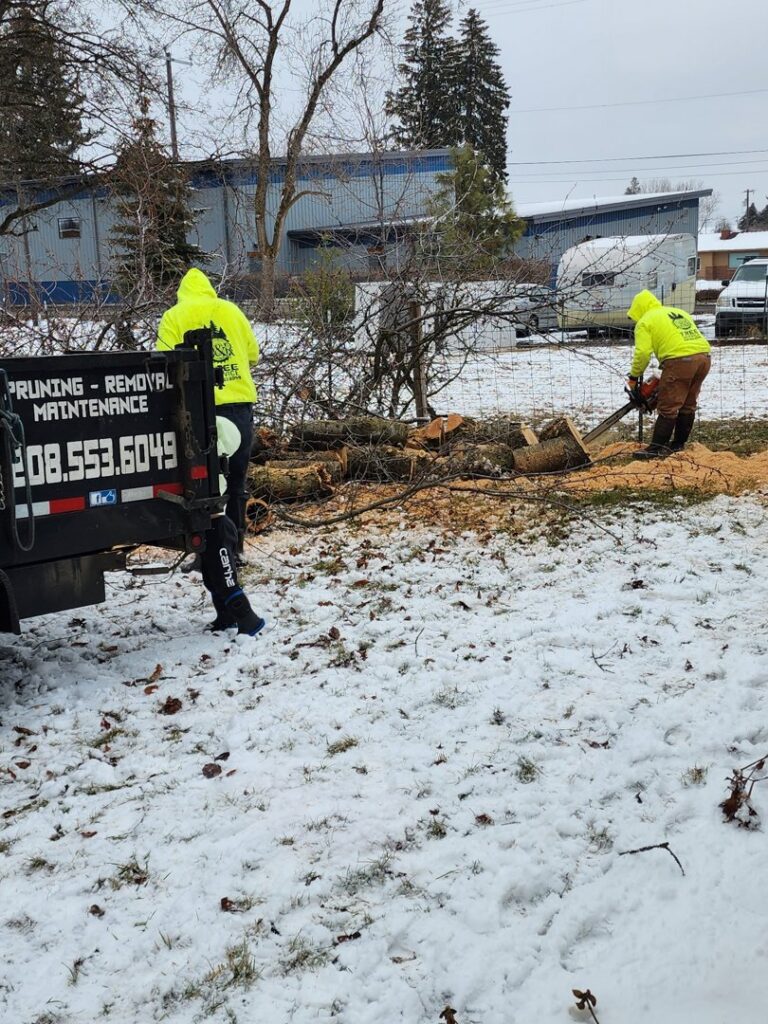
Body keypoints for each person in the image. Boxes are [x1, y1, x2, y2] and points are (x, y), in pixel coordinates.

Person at [158, 268, 259, 552]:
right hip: (237, 405)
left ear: (181, 294)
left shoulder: (174, 317)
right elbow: (253, 353)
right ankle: (235, 547)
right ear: (209, 289)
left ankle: (206, 550)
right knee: (236, 479)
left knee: (200, 485)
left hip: (196, 408)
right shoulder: (231, 310)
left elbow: (165, 361)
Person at [626, 290, 711, 459]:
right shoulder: (677, 312)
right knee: (688, 403)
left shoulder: (645, 321)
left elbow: (642, 353)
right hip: (704, 357)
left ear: (639, 309)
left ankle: (656, 448)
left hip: (680, 360)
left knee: (668, 406)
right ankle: (678, 444)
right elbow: (676, 339)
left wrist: (634, 378)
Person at [201, 416, 266, 636]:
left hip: (217, 525)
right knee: (211, 575)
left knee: (224, 576)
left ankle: (248, 618)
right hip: (212, 522)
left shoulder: (214, 473)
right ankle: (226, 616)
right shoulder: (214, 462)